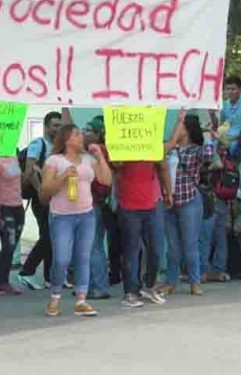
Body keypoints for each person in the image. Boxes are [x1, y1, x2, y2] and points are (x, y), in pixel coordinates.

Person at [41, 124, 112, 317]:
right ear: (67, 139)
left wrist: (100, 157)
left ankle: (81, 299)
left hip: (86, 214)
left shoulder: (88, 160)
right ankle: (55, 296)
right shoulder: (54, 160)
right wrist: (63, 177)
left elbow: (106, 180)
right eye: (77, 134)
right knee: (62, 258)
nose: (82, 137)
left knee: (83, 257)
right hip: (61, 216)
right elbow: (45, 190)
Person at [164, 112, 213, 296]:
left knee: (190, 243)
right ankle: (171, 281)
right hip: (170, 201)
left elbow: (208, 156)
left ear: (188, 129)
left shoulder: (195, 150)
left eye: (181, 126)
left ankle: (195, 281)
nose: (178, 129)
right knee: (173, 246)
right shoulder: (170, 148)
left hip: (189, 200)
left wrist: (208, 135)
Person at [115, 153, 172, 308]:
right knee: (131, 251)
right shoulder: (122, 144)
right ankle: (131, 292)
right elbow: (115, 165)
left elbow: (163, 167)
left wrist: (168, 191)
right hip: (128, 204)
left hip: (153, 203)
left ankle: (150, 285)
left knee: (156, 248)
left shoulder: (152, 143)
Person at [18, 111, 63, 290]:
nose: (58, 129)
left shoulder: (58, 147)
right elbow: (29, 170)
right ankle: (26, 271)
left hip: (55, 197)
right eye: (55, 125)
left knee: (52, 237)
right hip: (41, 198)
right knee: (47, 236)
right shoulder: (38, 144)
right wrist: (40, 192)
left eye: (60, 125)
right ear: (46, 127)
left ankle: (49, 277)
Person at [0, 153, 25, 296]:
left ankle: (4, 281)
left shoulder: (13, 157)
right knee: (8, 244)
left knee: (12, 245)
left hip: (18, 205)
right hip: (3, 206)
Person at [83, 119, 112, 299]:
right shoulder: (90, 152)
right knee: (92, 246)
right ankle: (91, 285)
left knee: (94, 246)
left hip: (92, 203)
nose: (84, 133)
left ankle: (100, 286)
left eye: (88, 130)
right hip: (92, 203)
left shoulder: (97, 151)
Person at [198, 139, 232, 283]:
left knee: (205, 237)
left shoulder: (209, 153)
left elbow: (216, 165)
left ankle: (203, 272)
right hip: (223, 200)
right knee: (220, 238)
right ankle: (219, 270)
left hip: (210, 199)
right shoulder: (227, 156)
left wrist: (207, 167)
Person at [213, 76, 241, 154]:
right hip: (228, 135)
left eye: (233, 89)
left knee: (233, 148)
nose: (230, 92)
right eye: (228, 89)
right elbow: (219, 123)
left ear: (239, 89)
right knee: (211, 143)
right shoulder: (225, 104)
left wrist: (229, 139)